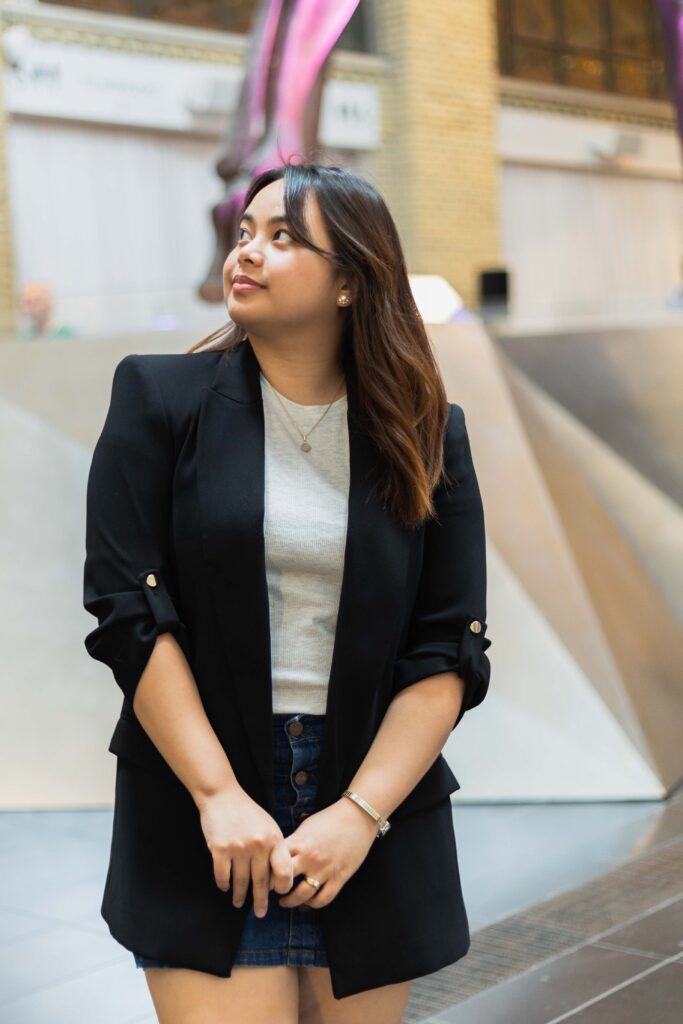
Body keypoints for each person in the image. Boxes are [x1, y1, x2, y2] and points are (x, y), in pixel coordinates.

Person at [83, 161, 492, 1024]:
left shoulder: (425, 433)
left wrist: (358, 814)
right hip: (205, 800)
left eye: (282, 237)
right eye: (244, 233)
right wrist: (218, 794)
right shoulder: (158, 398)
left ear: (350, 280)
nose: (247, 253)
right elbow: (129, 614)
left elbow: (448, 648)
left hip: (370, 800)